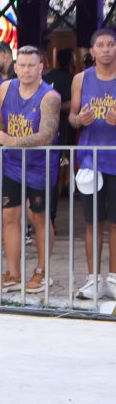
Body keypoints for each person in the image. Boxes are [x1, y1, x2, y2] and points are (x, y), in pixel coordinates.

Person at [0, 46, 61, 294]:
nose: (27, 70)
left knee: (38, 217)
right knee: (9, 216)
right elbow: (0, 122)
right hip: (11, 164)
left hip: (40, 165)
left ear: (41, 67)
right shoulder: (5, 88)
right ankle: (13, 273)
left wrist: (12, 141)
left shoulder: (50, 96)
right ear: (15, 66)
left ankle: (41, 271)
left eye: (32, 65)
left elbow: (47, 135)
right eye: (23, 65)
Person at [68, 28, 116, 300]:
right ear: (92, 51)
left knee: (115, 223)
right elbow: (73, 116)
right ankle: (92, 279)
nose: (107, 49)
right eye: (101, 45)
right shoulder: (80, 79)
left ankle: (113, 278)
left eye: (111, 44)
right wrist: (79, 120)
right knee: (92, 222)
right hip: (90, 160)